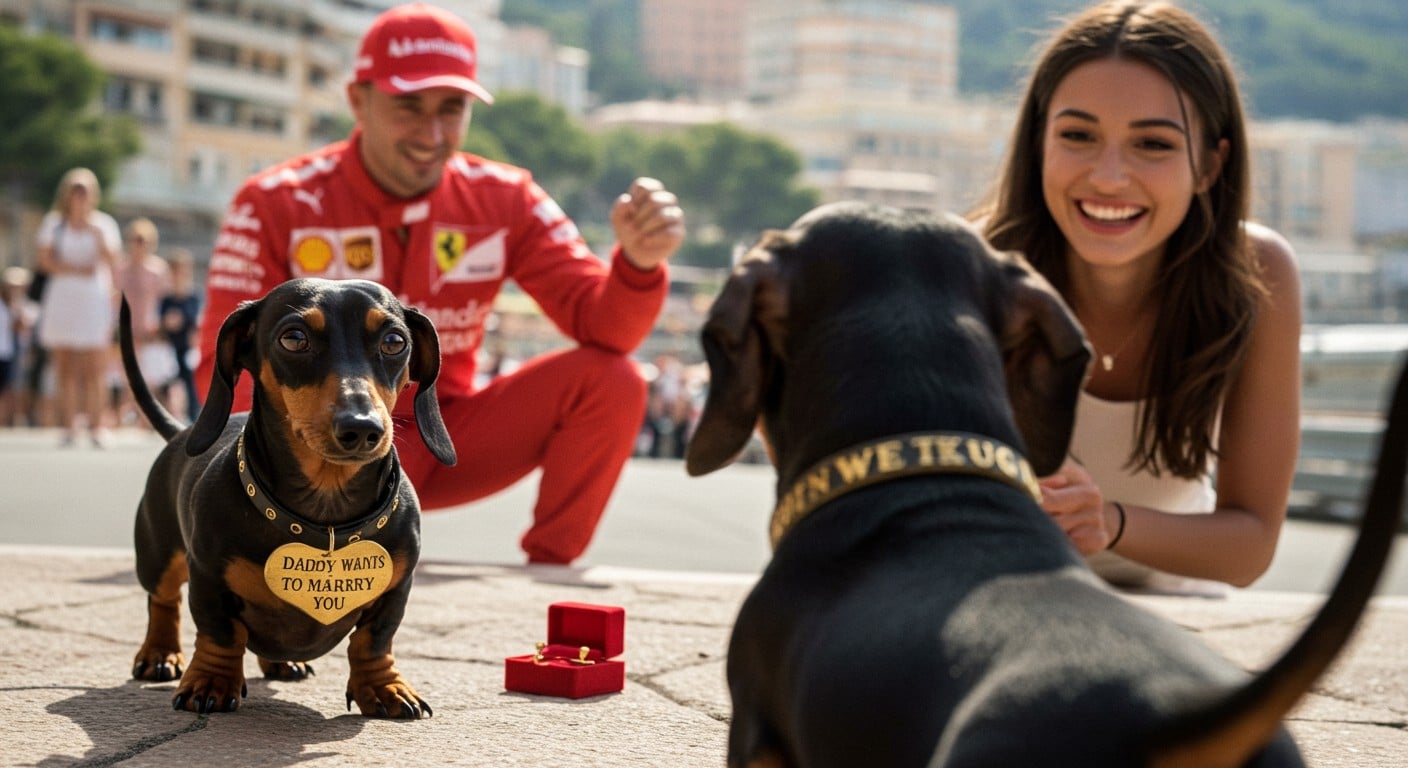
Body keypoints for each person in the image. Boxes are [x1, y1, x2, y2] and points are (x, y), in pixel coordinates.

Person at [196, 3, 685, 565]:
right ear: (358, 100)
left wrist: (639, 266)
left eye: (451, 109)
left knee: (614, 379)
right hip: (308, 447)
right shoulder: (272, 201)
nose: (431, 133)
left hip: (440, 436)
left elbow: (606, 329)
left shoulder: (508, 197)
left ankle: (550, 573)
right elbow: (225, 363)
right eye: (409, 106)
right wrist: (261, 511)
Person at [973, 0, 1302, 593]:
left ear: (1209, 165)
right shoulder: (968, 267)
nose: (1108, 177)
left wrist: (1107, 523)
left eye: (1153, 144)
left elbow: (1249, 547)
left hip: (1174, 609)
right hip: (996, 596)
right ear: (1037, 143)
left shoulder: (1260, 274)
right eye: (1078, 135)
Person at [35, 167, 122, 447]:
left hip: (94, 301)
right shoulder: (53, 223)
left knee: (95, 366)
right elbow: (44, 261)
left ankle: (98, 425)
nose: (80, 196)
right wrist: (75, 269)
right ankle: (71, 423)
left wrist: (96, 235)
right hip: (63, 299)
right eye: (75, 189)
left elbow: (113, 260)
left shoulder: (104, 224)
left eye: (85, 190)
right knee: (65, 366)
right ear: (66, 193)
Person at [113, 217, 175, 428]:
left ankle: (148, 421)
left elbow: (165, 302)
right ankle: (122, 420)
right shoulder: (120, 269)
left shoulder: (158, 270)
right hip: (126, 329)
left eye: (143, 240)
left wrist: (158, 328)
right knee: (124, 377)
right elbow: (114, 300)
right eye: (135, 239)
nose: (138, 244)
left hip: (150, 330)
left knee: (151, 378)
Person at [158, 248, 201, 422]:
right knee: (166, 384)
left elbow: (196, 320)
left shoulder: (194, 297)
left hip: (187, 347)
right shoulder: (166, 299)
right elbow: (161, 321)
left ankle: (193, 417)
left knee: (190, 384)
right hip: (169, 347)